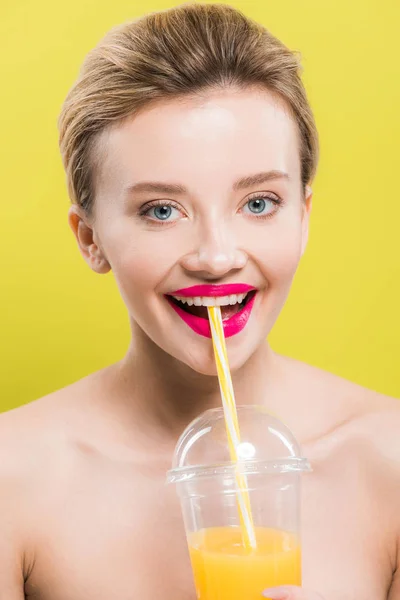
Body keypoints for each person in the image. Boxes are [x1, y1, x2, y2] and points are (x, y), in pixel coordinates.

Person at [0, 3, 398, 599]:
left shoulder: (389, 462)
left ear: (304, 217)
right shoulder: (14, 480)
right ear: (90, 239)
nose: (216, 257)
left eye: (259, 203)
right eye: (161, 210)